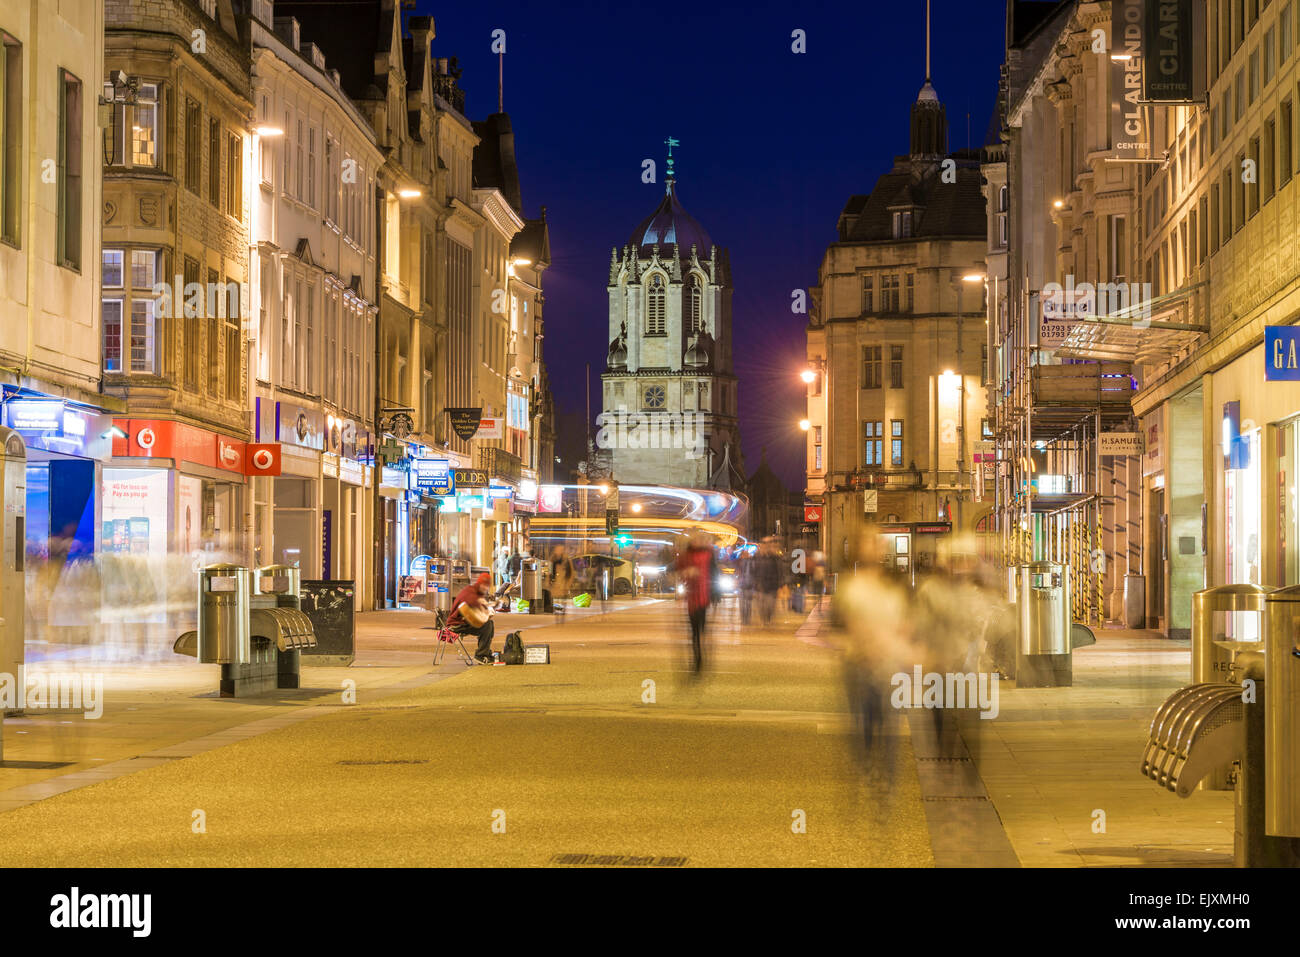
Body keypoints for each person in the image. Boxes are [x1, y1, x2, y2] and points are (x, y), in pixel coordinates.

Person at [676, 531, 715, 673]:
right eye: (695, 540)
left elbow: (714, 571)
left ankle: (701, 655)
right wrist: (686, 573)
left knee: (701, 629)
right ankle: (697, 659)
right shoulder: (685, 556)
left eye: (700, 540)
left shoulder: (707, 555)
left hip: (703, 596)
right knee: (694, 631)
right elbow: (678, 570)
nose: (697, 542)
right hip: (692, 598)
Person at [448, 571, 496, 663]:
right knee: (487, 625)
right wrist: (487, 613)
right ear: (479, 583)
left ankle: (485, 652)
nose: (486, 589)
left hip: (464, 622)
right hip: (456, 625)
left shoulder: (475, 592)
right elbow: (476, 614)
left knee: (489, 625)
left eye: (487, 586)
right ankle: (481, 655)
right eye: (484, 586)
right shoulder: (470, 593)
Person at [753, 536, 783, 626]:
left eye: (768, 543)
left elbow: (779, 570)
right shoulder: (757, 556)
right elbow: (753, 570)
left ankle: (768, 619)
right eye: (764, 543)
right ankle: (764, 620)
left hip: (772, 585)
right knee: (762, 605)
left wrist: (780, 583)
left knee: (770, 605)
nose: (766, 545)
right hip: (760, 585)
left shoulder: (774, 557)